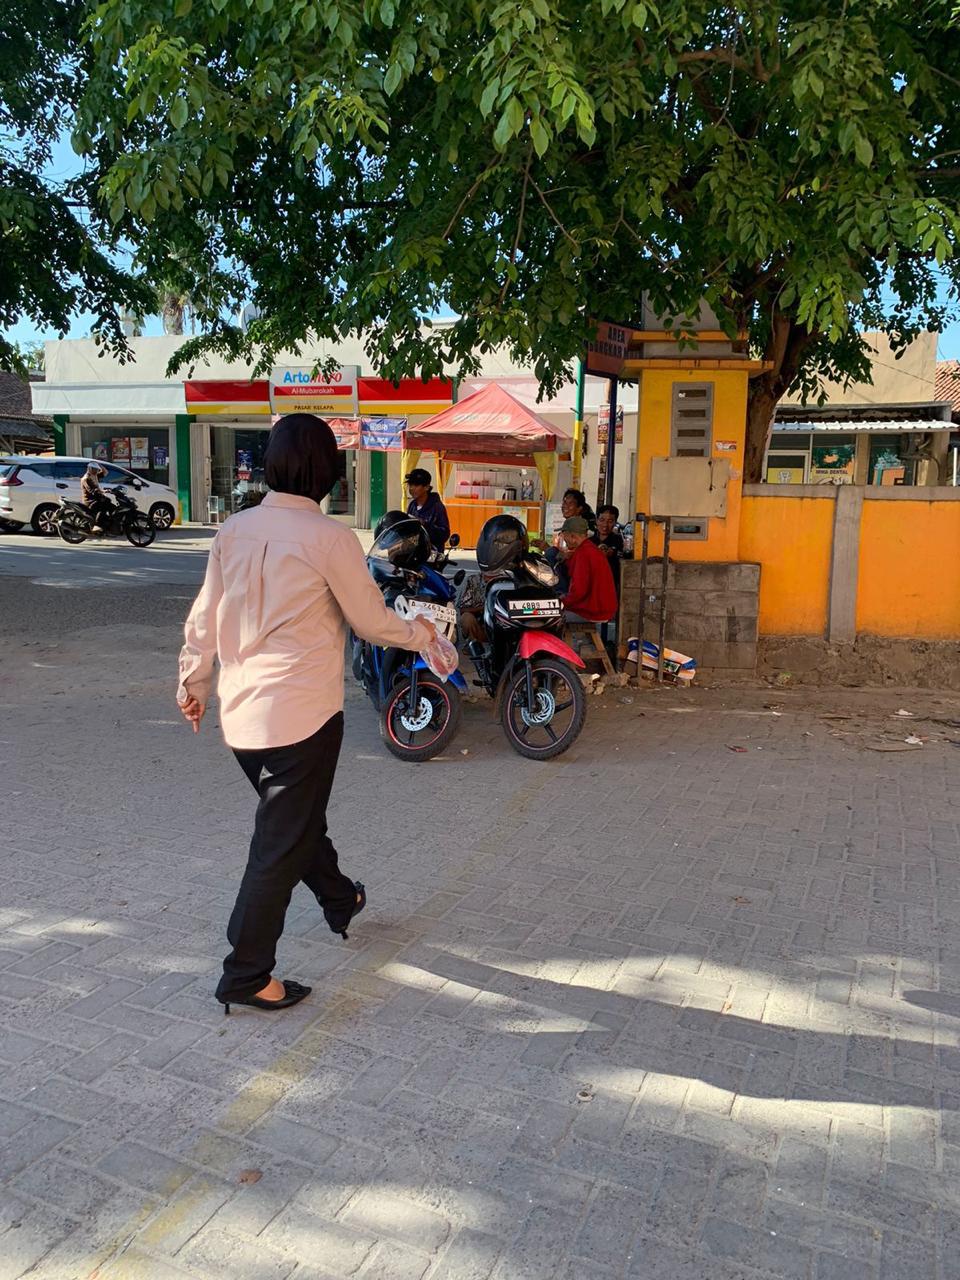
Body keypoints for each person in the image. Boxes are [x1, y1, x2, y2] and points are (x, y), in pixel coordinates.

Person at [177, 414, 437, 1015]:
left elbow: (204, 616)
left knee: (294, 822)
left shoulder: (233, 530)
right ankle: (246, 973)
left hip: (242, 717)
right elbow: (371, 622)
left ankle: (340, 899)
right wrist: (423, 634)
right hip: (303, 719)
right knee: (279, 842)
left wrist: (193, 681)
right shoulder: (330, 539)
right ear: (327, 471)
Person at [559, 516, 618, 623]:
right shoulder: (589, 548)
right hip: (601, 608)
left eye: (564, 536)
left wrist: (560, 602)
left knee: (547, 617)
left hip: (594, 612)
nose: (564, 540)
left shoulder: (583, 553)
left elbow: (579, 592)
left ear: (572, 536)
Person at [405, 467, 450, 552]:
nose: (411, 488)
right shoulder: (412, 505)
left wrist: (425, 524)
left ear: (426, 487)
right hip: (413, 553)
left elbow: (444, 534)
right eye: (410, 485)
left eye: (416, 485)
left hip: (431, 554)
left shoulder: (437, 507)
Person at [592, 504, 625, 597]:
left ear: (615, 522)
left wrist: (612, 553)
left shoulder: (619, 540)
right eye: (602, 520)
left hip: (610, 586)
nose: (605, 525)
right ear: (596, 520)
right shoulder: (589, 541)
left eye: (610, 521)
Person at [80, 462, 114, 533]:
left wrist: (98, 463)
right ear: (90, 469)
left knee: (110, 504)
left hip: (95, 498)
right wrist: (101, 493)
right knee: (104, 506)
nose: (97, 471)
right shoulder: (86, 479)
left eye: (97, 469)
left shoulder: (94, 475)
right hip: (90, 500)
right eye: (95, 469)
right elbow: (92, 491)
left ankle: (109, 525)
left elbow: (105, 472)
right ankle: (97, 525)